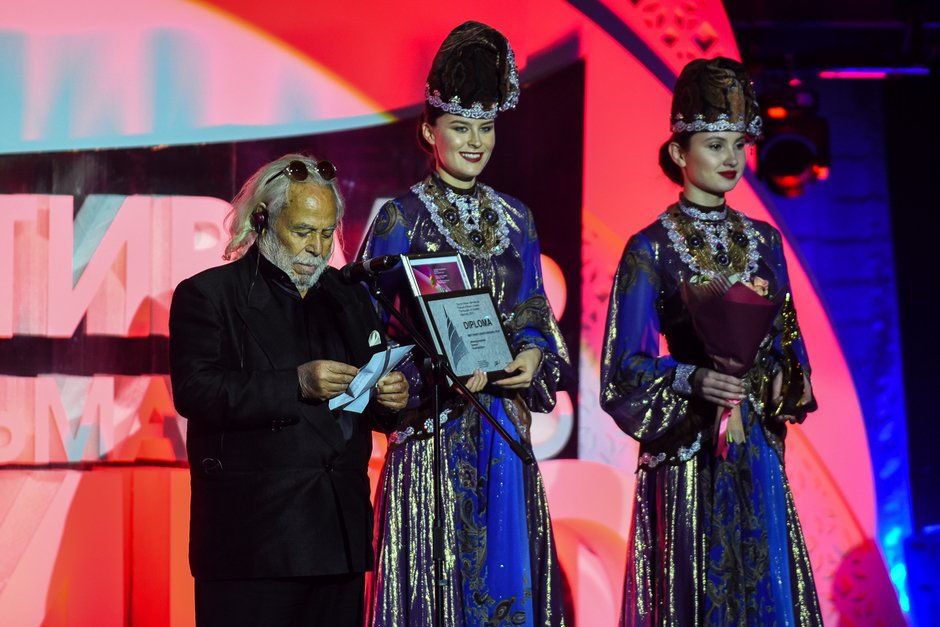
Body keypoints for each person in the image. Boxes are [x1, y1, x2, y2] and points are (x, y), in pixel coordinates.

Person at [359, 21, 569, 627]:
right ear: (430, 130)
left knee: (503, 589)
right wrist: (426, 374)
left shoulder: (518, 219)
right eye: (460, 126)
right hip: (430, 436)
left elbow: (533, 311)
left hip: (501, 431)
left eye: (486, 127)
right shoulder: (400, 219)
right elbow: (369, 330)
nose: (475, 142)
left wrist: (532, 354)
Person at [600, 57, 823, 626]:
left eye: (739, 145)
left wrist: (779, 379)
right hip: (685, 457)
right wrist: (693, 377)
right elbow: (622, 370)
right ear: (679, 152)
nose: (731, 159)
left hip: (754, 454)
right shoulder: (649, 248)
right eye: (715, 145)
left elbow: (790, 348)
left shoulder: (766, 242)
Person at [169, 154, 409, 627]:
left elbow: (370, 395)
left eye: (327, 233)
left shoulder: (347, 295)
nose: (317, 248)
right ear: (262, 220)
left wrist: (389, 400)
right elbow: (196, 390)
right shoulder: (209, 295)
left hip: (337, 537)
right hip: (253, 541)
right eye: (302, 231)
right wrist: (295, 383)